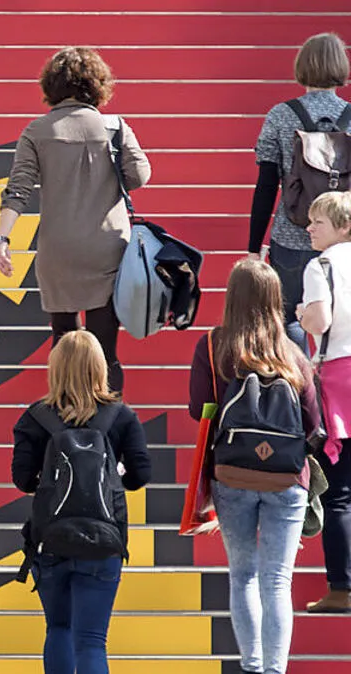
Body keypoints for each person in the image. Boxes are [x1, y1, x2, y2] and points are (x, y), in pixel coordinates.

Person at [0, 46, 152, 393]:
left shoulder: (37, 130)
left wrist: (2, 239)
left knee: (63, 340)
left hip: (58, 252)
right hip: (107, 251)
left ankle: (66, 415)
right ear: (97, 85)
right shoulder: (114, 128)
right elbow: (140, 176)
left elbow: (17, 189)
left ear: (51, 85)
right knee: (105, 350)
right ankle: (107, 419)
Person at [188, 260, 320, 673]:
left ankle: (251, 665)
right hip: (287, 478)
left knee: (243, 575)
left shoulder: (213, 346)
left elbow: (199, 409)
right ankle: (275, 669)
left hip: (232, 473)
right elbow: (312, 424)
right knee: (277, 580)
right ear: (274, 299)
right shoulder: (292, 351)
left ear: (232, 296)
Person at [12, 330, 152, 674]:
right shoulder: (121, 416)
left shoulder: (35, 417)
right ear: (100, 368)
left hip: (51, 539)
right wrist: (112, 479)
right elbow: (141, 474)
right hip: (104, 540)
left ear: (55, 369)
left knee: (58, 629)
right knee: (91, 640)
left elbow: (22, 479)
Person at [247, 32, 350, 351]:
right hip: (344, 237)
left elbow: (266, 185)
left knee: (289, 319)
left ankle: (299, 379)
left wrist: (254, 246)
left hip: (292, 236)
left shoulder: (280, 115)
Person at [296, 191, 351, 612]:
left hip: (339, 377)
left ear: (343, 226)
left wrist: (301, 314)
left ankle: (342, 588)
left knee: (340, 492)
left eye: (318, 222)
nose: (309, 228)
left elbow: (320, 320)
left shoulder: (322, 265)